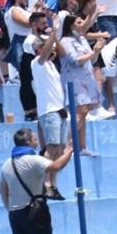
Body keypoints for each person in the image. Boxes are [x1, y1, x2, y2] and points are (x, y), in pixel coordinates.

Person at [1, 128, 75, 234]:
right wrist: (69, 151)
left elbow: (3, 190)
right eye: (34, 138)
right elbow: (56, 166)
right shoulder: (33, 160)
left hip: (15, 213)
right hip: (35, 212)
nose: (36, 140)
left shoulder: (6, 164)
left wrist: (10, 208)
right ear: (28, 142)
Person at [28, 24, 69, 201]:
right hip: (49, 111)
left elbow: (63, 53)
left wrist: (55, 37)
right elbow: (45, 54)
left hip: (59, 110)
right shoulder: (36, 63)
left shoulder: (51, 66)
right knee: (51, 148)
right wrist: (53, 34)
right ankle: (44, 184)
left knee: (59, 149)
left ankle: (54, 184)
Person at [58, 11, 105, 157]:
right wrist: (93, 52)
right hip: (74, 80)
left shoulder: (82, 39)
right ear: (70, 26)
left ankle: (81, 146)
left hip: (86, 78)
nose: (82, 25)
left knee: (84, 113)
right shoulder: (65, 41)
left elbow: (91, 59)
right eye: (78, 23)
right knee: (80, 112)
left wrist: (97, 51)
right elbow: (75, 60)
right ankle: (66, 144)